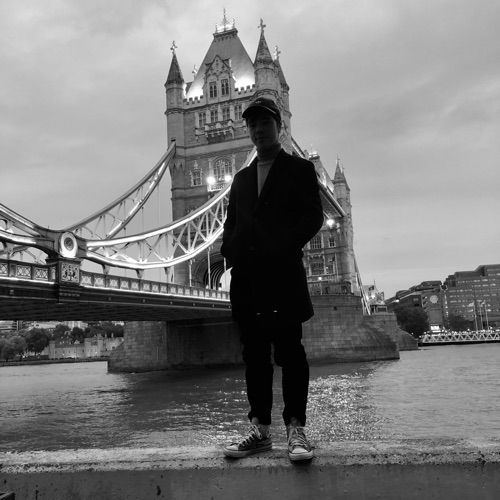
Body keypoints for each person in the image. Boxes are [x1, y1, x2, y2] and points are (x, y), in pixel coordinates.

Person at [221, 96, 324, 461]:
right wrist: (230, 251)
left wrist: (280, 245)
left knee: (290, 353)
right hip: (247, 281)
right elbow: (231, 224)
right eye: (252, 124)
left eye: (265, 122)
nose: (258, 129)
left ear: (279, 127)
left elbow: (313, 217)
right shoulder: (240, 179)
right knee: (254, 356)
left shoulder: (300, 169)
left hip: (282, 276)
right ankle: (260, 429)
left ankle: (296, 429)